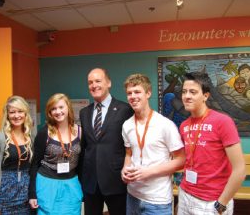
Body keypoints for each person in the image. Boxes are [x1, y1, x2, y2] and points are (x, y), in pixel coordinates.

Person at [178, 71, 246, 215]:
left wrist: (221, 204)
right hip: (185, 195)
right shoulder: (184, 125)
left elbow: (240, 169)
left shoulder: (223, 121)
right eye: (184, 92)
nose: (187, 96)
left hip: (212, 201)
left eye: (193, 92)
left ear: (205, 96)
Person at [121, 73, 185, 215]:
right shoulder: (126, 125)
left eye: (137, 91)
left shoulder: (165, 125)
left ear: (148, 93)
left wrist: (147, 172)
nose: (133, 96)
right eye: (129, 93)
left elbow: (181, 160)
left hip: (157, 200)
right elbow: (128, 153)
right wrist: (124, 170)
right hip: (132, 196)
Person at [79, 68, 134, 215]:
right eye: (90, 82)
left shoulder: (125, 109)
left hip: (115, 180)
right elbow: (85, 147)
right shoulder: (84, 113)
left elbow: (130, 145)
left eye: (98, 81)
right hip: (90, 182)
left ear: (108, 83)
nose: (94, 85)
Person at [29, 93, 83, 215]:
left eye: (61, 107)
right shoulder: (44, 133)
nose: (58, 111)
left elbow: (82, 163)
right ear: (50, 112)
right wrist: (32, 194)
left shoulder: (80, 131)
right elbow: (34, 165)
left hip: (71, 185)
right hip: (47, 185)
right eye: (53, 109)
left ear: (68, 108)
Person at [0, 95, 33, 215]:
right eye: (12, 112)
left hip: (25, 199)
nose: (17, 116)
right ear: (7, 115)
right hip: (3, 198)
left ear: (26, 113)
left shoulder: (30, 137)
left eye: (20, 111)